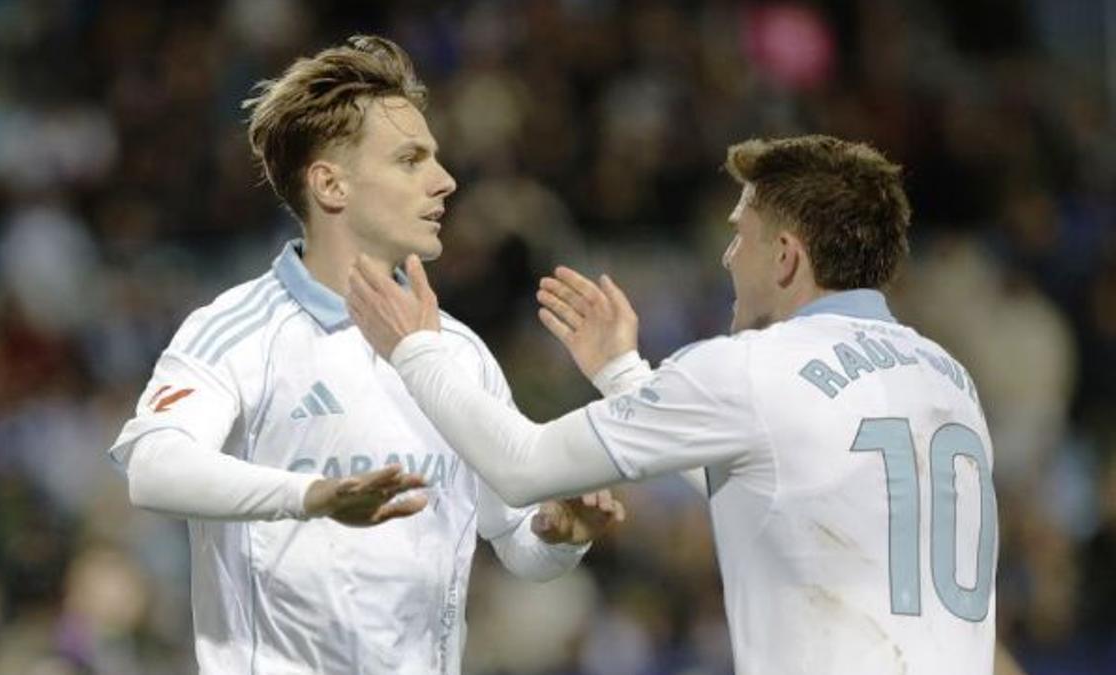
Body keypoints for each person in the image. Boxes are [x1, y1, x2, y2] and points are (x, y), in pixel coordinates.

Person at [347, 135, 1001, 674]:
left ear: (786, 256)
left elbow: (522, 466)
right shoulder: (948, 377)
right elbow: (772, 480)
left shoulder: (751, 368)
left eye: (741, 233)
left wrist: (415, 350)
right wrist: (622, 370)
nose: (726, 254)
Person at [107, 35, 623, 674]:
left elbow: (515, 539)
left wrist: (558, 536)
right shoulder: (237, 333)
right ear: (330, 184)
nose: (445, 180)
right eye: (411, 159)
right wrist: (316, 495)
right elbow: (153, 469)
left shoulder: (457, 352)